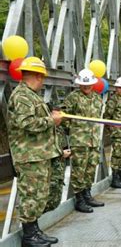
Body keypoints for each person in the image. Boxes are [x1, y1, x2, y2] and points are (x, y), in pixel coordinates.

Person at [7, 56, 62, 246]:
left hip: (38, 154)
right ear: (38, 76)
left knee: (38, 195)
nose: (43, 82)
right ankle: (29, 237)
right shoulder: (22, 96)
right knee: (31, 195)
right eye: (42, 78)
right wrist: (51, 121)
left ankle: (35, 231)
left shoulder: (30, 95)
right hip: (29, 155)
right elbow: (26, 123)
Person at [63, 69, 104, 213]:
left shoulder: (97, 98)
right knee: (79, 170)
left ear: (93, 84)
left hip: (93, 140)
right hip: (79, 141)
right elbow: (64, 117)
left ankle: (88, 195)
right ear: (79, 85)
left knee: (90, 168)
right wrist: (74, 130)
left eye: (88, 85)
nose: (86, 87)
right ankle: (79, 199)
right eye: (83, 85)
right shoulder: (73, 98)